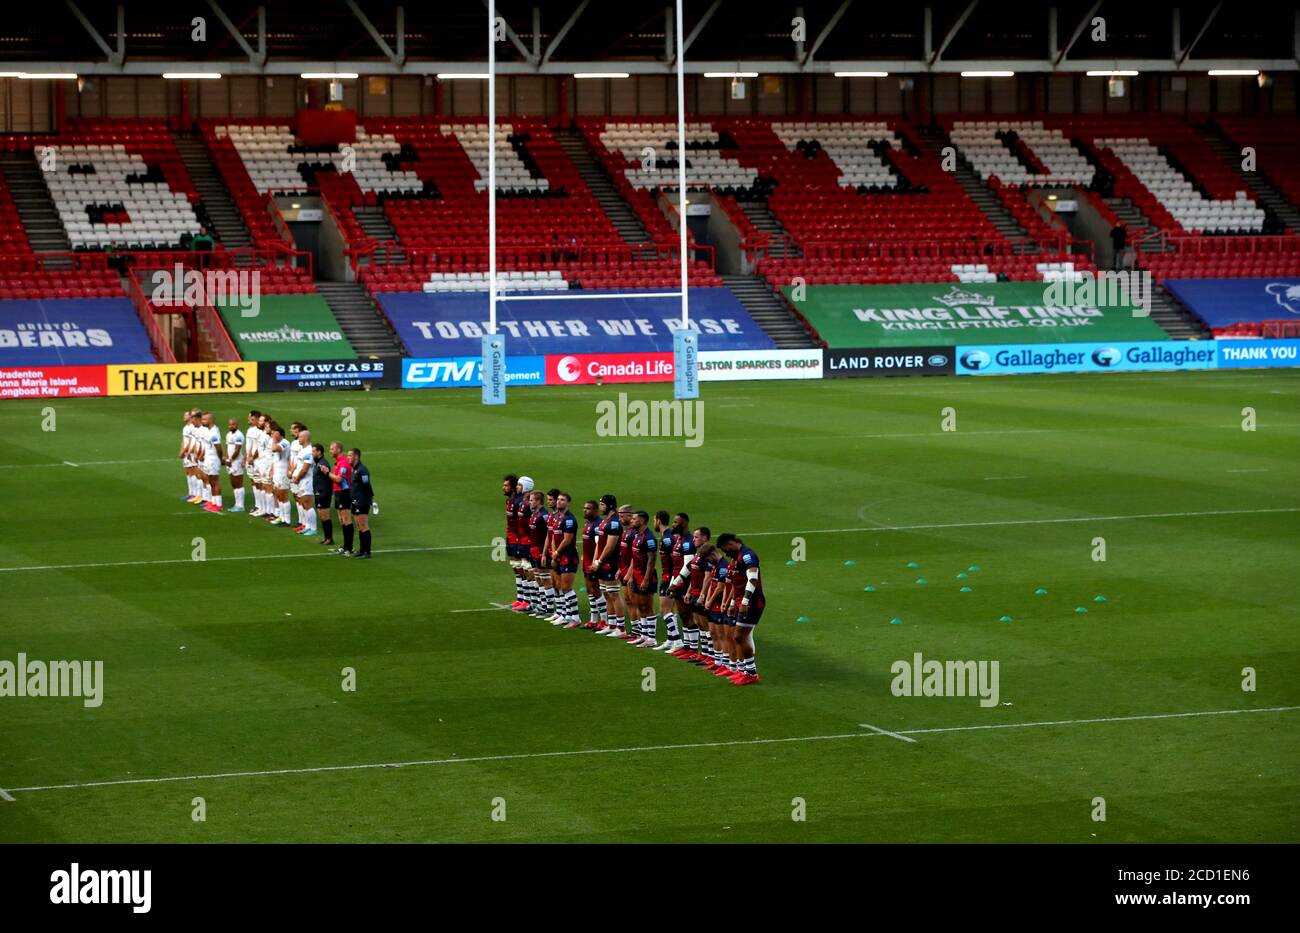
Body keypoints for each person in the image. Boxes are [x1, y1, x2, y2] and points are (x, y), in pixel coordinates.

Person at [717, 534, 764, 685]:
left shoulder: (747, 555)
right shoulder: (736, 558)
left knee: (739, 637)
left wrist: (744, 602)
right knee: (741, 637)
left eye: (726, 549)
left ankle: (751, 673)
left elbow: (752, 579)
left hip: (752, 603)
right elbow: (736, 585)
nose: (725, 553)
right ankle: (745, 671)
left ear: (731, 543)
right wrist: (732, 603)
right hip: (741, 602)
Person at [591, 494, 623, 634]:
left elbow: (610, 546)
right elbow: (600, 543)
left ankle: (620, 628)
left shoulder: (614, 523)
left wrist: (600, 561)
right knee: (607, 594)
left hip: (611, 563)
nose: (600, 507)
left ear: (610, 505)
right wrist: (595, 560)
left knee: (614, 594)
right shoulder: (605, 521)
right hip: (602, 563)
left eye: (603, 505)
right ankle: (611, 625)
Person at [550, 492, 581, 628]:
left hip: (568, 556)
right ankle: (565, 615)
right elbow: (553, 537)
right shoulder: (557, 518)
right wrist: (554, 553)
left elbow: (567, 539)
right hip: (559, 555)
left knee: (566, 587)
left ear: (568, 503)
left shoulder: (569, 519)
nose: (559, 502)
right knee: (560, 586)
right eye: (558, 499)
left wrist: (557, 552)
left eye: (562, 500)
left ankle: (575, 617)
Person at [578, 499, 605, 629]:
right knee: (590, 590)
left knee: (596, 590)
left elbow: (599, 545)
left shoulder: (598, 525)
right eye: (584, 508)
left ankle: (604, 620)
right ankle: (593, 619)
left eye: (588, 508)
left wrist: (596, 561)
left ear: (595, 510)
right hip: (587, 561)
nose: (585, 510)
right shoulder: (588, 523)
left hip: (594, 562)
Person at [347, 448, 375, 559]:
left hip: (362, 501)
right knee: (359, 526)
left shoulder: (362, 470)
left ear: (356, 457)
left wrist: (370, 499)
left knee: (363, 526)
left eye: (350, 455)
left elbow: (367, 486)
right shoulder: (355, 469)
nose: (348, 457)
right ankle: (362, 550)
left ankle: (367, 552)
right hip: (355, 501)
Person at [291, 429, 317, 537]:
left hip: (306, 481)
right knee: (303, 503)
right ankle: (307, 526)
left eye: (300, 437)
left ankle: (313, 528)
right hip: (301, 480)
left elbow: (305, 468)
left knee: (308, 504)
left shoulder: (309, 451)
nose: (298, 438)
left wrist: (297, 478)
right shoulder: (303, 450)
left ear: (306, 438)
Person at [331, 441, 354, 554]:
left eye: (332, 449)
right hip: (338, 493)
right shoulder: (338, 462)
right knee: (342, 520)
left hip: (344, 492)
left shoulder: (344, 463)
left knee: (347, 520)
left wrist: (327, 473)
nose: (330, 451)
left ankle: (349, 547)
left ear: (338, 450)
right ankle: (346, 546)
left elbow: (339, 479)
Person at [199, 411, 223, 512]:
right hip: (209, 459)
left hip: (213, 459)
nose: (202, 421)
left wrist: (220, 459)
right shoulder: (209, 431)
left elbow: (219, 448)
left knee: (215, 482)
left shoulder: (214, 433)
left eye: (204, 419)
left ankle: (218, 504)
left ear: (210, 420)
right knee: (211, 482)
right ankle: (213, 502)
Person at [268, 423, 291, 526]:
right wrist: (272, 470)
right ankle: (281, 517)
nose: (273, 436)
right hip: (277, 473)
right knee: (278, 495)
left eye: (275, 434)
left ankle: (287, 520)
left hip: (283, 473)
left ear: (280, 435)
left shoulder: (285, 443)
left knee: (284, 496)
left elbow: (274, 449)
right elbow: (274, 458)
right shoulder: (278, 442)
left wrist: (274, 439)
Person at [312, 443, 334, 545]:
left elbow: (329, 478)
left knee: (325, 516)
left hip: (323, 493)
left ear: (319, 452)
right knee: (321, 516)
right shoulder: (318, 463)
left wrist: (326, 493)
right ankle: (326, 537)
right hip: (318, 493)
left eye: (314, 451)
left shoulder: (323, 464)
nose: (312, 453)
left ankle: (329, 538)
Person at [225, 417, 245, 512]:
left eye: (233, 424)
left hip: (237, 462)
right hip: (230, 462)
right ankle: (236, 504)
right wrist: (226, 458)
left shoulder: (239, 435)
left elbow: (237, 450)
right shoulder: (228, 434)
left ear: (237, 425)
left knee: (238, 483)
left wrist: (230, 459)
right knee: (233, 483)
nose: (231, 426)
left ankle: (240, 506)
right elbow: (226, 446)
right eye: (229, 424)